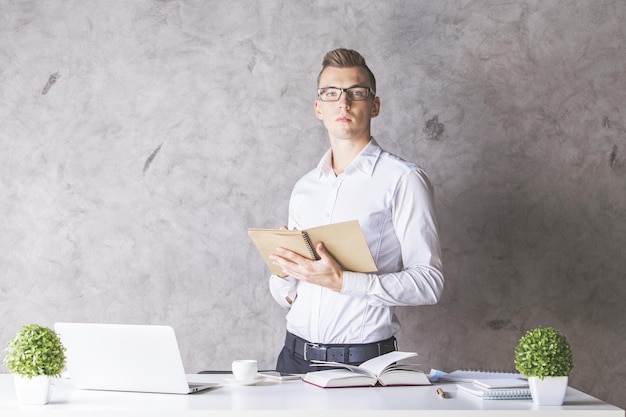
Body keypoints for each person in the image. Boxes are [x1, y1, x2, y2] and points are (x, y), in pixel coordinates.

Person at [268, 48, 444, 374]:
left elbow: (429, 283)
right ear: (318, 108)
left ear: (374, 106)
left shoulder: (403, 180)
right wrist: (284, 272)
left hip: (362, 364)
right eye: (331, 93)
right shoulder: (304, 188)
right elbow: (288, 298)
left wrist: (344, 282)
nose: (343, 103)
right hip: (291, 359)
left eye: (356, 93)